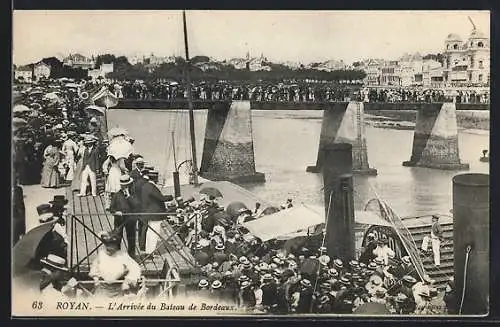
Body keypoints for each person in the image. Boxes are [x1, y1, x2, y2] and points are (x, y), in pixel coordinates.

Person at [89, 231, 142, 298]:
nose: (109, 248)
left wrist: (128, 280)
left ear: (116, 246)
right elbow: (94, 267)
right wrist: (95, 278)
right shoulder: (101, 254)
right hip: (103, 288)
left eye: (111, 245)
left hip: (119, 288)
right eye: (107, 245)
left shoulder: (122, 255)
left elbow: (135, 268)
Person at [140, 171, 173, 255]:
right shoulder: (152, 187)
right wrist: (171, 197)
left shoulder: (145, 186)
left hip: (148, 212)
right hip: (155, 214)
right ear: (155, 178)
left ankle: (148, 250)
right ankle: (151, 252)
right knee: (154, 234)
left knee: (149, 233)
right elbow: (161, 198)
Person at [109, 175, 141, 257]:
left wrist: (128, 196)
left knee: (131, 238)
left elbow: (137, 206)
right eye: (123, 186)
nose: (124, 187)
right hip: (119, 220)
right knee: (117, 237)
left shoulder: (134, 194)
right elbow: (111, 208)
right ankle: (117, 256)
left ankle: (131, 256)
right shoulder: (116, 195)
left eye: (126, 185)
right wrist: (116, 212)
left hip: (130, 220)